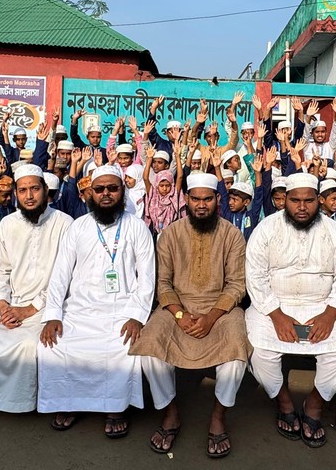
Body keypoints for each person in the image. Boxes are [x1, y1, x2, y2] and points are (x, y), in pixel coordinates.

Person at [131, 173, 250, 458]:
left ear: (217, 200)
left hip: (220, 309)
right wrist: (181, 314)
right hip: (176, 307)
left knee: (236, 349)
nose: (201, 205)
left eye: (207, 199)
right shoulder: (170, 233)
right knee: (149, 345)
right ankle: (170, 412)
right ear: (186, 199)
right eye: (195, 198)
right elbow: (162, 284)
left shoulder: (232, 235)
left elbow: (236, 285)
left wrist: (210, 317)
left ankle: (218, 415)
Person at [38, 165, 156, 438]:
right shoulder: (78, 227)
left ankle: (114, 407)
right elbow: (60, 273)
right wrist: (53, 314)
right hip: (79, 310)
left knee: (122, 346)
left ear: (122, 191)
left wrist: (137, 315)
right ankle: (69, 402)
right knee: (53, 345)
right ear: (89, 193)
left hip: (122, 310)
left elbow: (147, 277)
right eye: (99, 189)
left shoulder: (138, 227)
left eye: (112, 189)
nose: (106, 194)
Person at [245, 172, 336, 449]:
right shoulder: (266, 228)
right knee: (259, 353)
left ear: (319, 201)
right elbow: (256, 276)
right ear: (284, 201)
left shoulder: (335, 232)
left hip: (323, 306)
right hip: (272, 306)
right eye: (294, 200)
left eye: (308, 200)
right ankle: (283, 401)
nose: (301, 207)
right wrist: (277, 314)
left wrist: (330, 314)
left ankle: (314, 405)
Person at [0, 165, 71, 413]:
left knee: (28, 345)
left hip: (47, 304)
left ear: (45, 190)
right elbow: (4, 270)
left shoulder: (64, 224)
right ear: (16, 194)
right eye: (23, 190)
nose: (29, 196)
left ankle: (21, 402)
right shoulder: (8, 223)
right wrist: (3, 303)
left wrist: (29, 310)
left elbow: (64, 277)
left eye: (34, 189)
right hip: (9, 300)